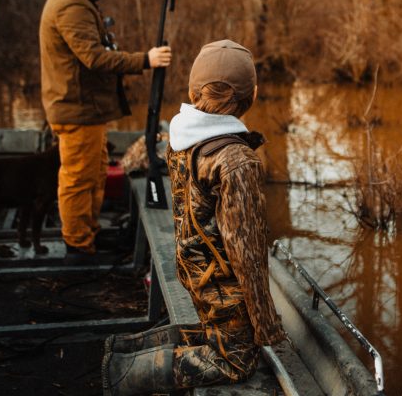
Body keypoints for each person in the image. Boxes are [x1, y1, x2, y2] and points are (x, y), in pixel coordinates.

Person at [102, 40, 286, 395]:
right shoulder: (237, 161)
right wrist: (266, 325)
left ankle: (126, 347)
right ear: (251, 95)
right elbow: (246, 254)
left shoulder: (181, 135)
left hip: (194, 274)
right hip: (222, 289)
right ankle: (125, 372)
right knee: (237, 361)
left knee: (218, 335)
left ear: (193, 91)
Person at [39, 0, 172, 261]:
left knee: (94, 172)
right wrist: (145, 59)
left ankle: (88, 236)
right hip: (77, 109)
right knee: (78, 178)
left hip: (86, 109)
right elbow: (94, 58)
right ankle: (78, 246)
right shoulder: (70, 5)